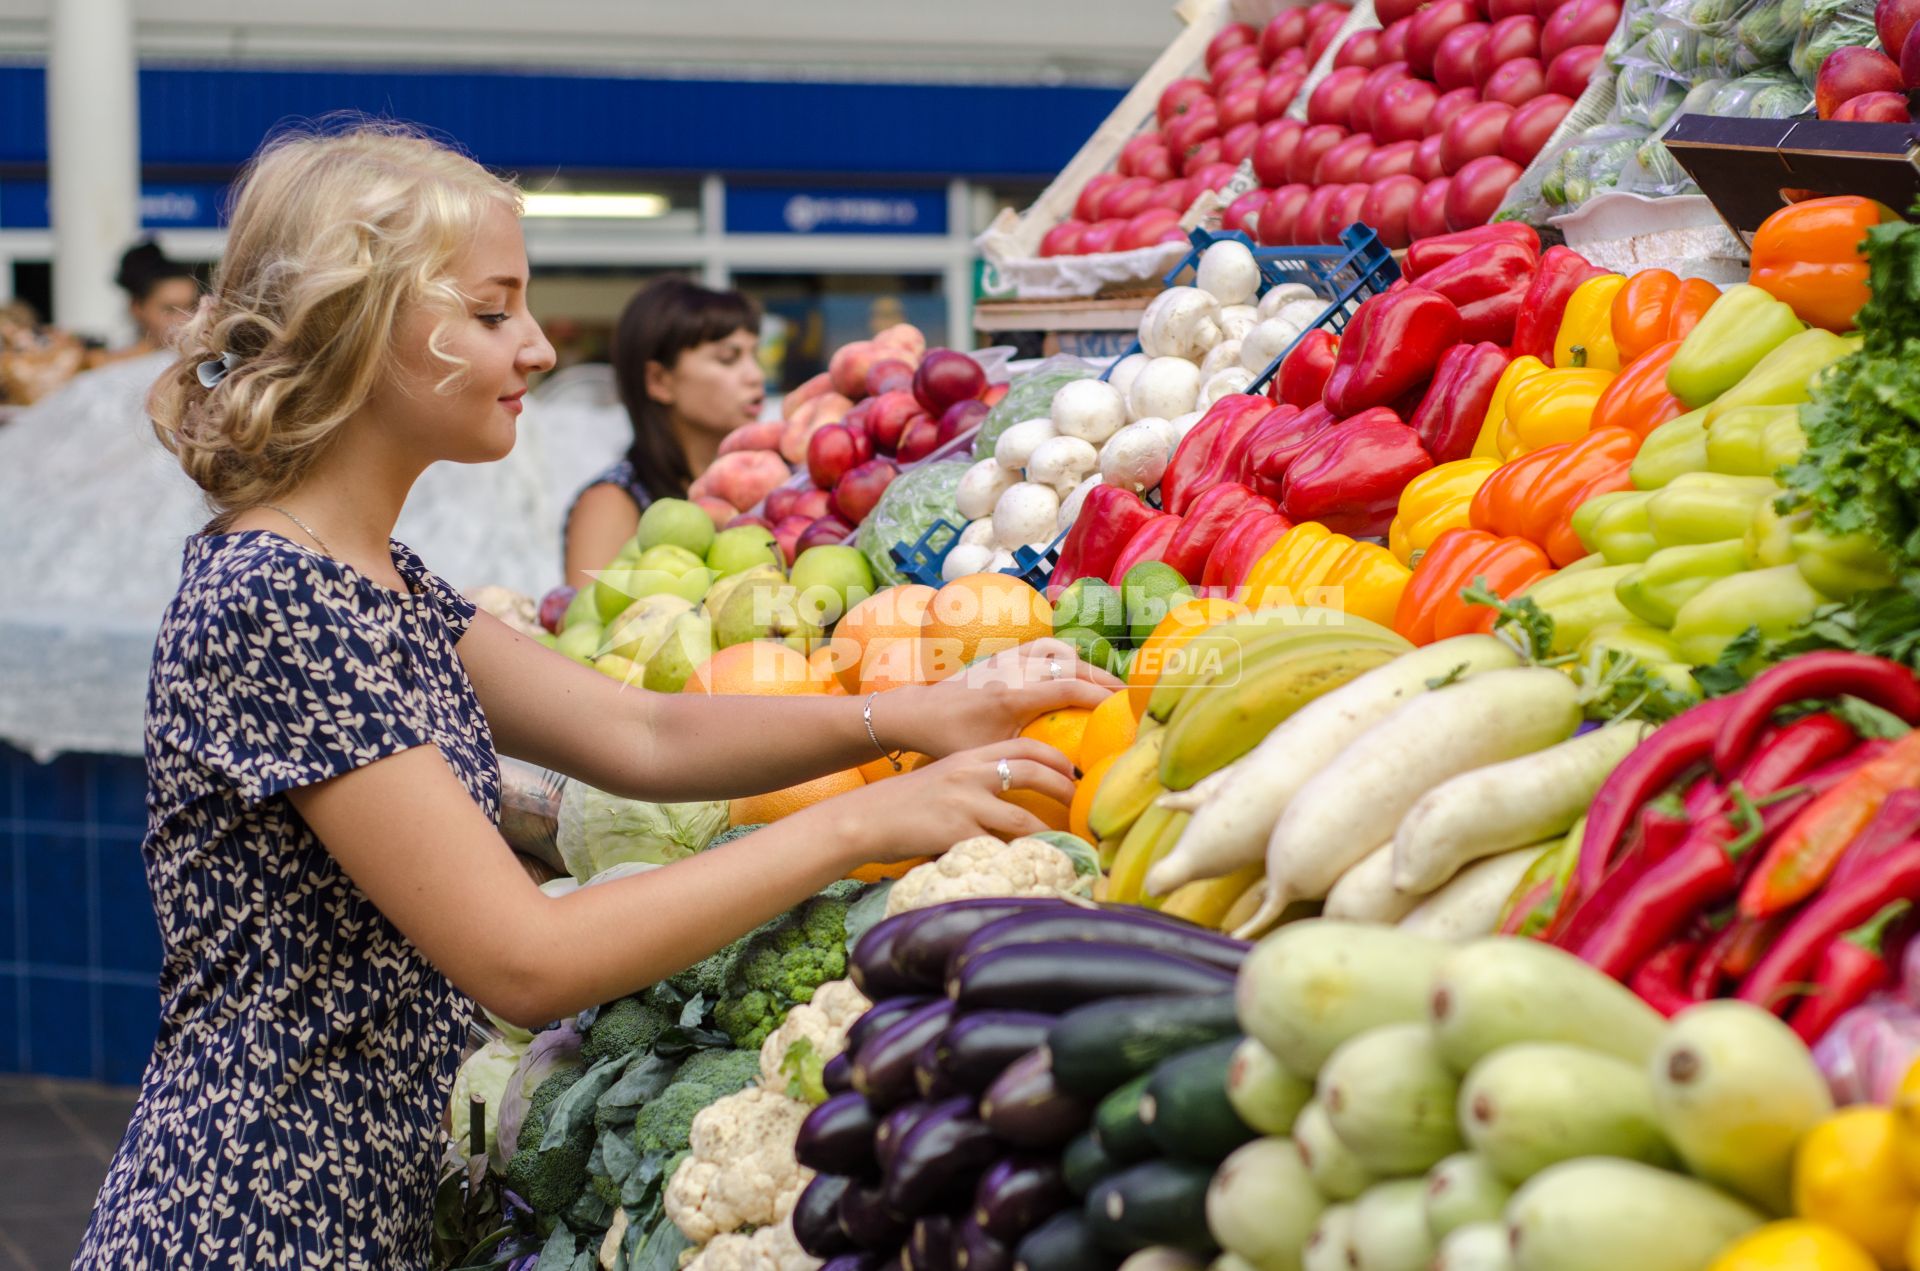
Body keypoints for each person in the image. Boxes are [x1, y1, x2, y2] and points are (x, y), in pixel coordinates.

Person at [75, 121, 1113, 1269]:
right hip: (258, 1221)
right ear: (360, 331)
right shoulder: (281, 598)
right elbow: (524, 957)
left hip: (352, 1199)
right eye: (490, 310)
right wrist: (863, 820)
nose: (534, 347)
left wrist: (908, 715)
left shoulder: (371, 574)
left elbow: (643, 730)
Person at [563, 276, 765, 589]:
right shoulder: (612, 503)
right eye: (728, 358)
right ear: (659, 380)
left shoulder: (761, 488)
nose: (755, 376)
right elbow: (588, 625)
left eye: (755, 355)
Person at [103, 239, 199, 361]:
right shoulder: (109, 365)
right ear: (137, 307)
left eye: (193, 306)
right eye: (169, 310)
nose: (186, 319)